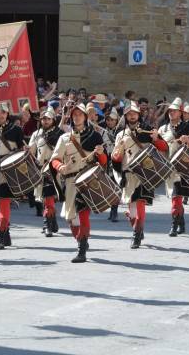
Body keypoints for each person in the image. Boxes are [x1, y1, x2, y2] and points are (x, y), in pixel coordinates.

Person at [50, 103, 108, 263]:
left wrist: (102, 154)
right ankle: (81, 240)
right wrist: (61, 167)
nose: (77, 117)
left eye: (80, 114)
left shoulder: (95, 136)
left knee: (83, 214)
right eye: (74, 115)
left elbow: (103, 162)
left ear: (85, 117)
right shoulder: (64, 138)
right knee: (71, 219)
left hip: (88, 180)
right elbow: (54, 159)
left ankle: (82, 249)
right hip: (70, 181)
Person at [111, 101, 169, 249]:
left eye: (134, 113)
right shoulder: (120, 135)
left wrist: (156, 138)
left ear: (138, 115)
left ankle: (136, 235)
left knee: (140, 204)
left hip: (145, 173)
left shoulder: (148, 130)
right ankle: (137, 227)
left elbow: (164, 147)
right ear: (126, 116)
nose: (132, 116)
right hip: (128, 174)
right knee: (132, 209)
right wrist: (116, 158)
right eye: (129, 114)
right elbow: (116, 158)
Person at [158, 98, 189, 237]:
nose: (171, 112)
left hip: (183, 168)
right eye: (170, 110)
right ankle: (181, 221)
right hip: (168, 168)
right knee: (174, 197)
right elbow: (159, 149)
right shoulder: (163, 128)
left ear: (180, 112)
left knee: (176, 197)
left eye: (175, 110)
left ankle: (174, 224)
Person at [28, 107, 64, 237]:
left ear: (53, 119)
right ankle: (52, 221)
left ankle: (47, 224)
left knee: (49, 197)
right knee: (44, 197)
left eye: (48, 118)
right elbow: (31, 151)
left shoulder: (60, 133)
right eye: (43, 119)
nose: (46, 121)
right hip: (40, 168)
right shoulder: (36, 134)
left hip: (53, 168)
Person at [0, 102, 25, 249]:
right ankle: (4, 232)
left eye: (3, 112)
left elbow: (21, 150)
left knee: (4, 204)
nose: (0, 114)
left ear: (7, 114)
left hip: (8, 172)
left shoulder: (16, 130)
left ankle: (1, 232)